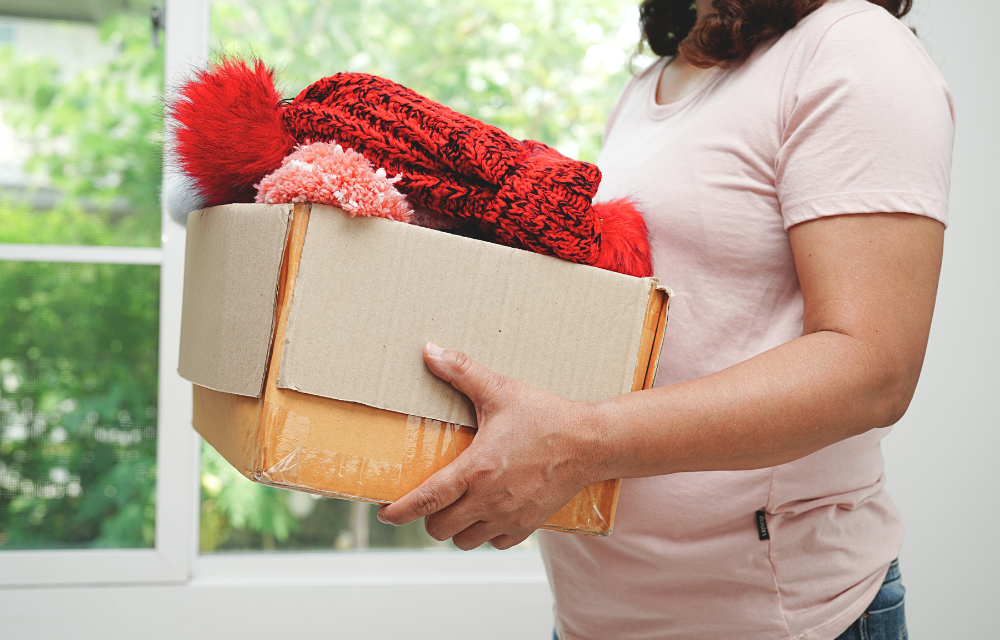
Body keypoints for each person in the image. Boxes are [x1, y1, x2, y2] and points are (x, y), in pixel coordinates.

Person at [377, 0, 954, 637]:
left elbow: (872, 369)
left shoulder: (850, 46)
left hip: (781, 621)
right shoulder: (649, 86)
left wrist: (579, 443)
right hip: (596, 617)